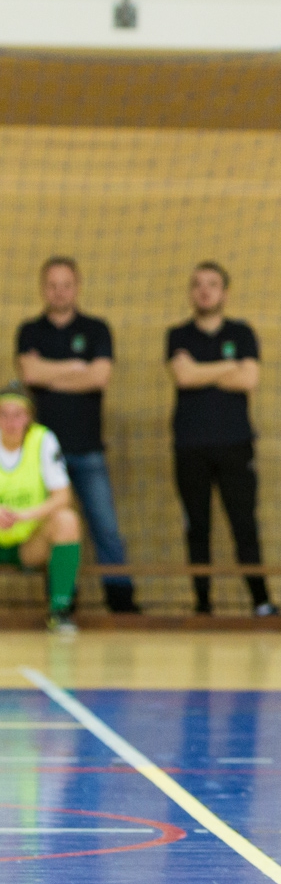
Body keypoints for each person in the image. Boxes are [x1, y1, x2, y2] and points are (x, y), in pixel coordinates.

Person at [14, 256, 137, 613]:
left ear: (77, 287)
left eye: (66, 285)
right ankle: (63, 599)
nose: (59, 292)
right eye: (52, 285)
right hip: (42, 455)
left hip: (88, 448)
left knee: (105, 527)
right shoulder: (30, 330)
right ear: (43, 289)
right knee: (54, 525)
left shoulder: (96, 329)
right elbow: (29, 375)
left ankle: (121, 601)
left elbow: (99, 377)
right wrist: (74, 367)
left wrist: (50, 374)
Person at [166, 261, 274, 616]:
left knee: (244, 525)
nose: (204, 290)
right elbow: (183, 377)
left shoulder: (242, 333)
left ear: (224, 293)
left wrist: (200, 370)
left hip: (235, 445)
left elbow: (249, 379)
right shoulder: (178, 335)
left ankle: (261, 602)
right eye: (198, 284)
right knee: (197, 527)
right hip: (190, 446)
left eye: (212, 284)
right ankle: (202, 604)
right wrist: (228, 367)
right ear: (191, 292)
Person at [0, 383, 83, 633]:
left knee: (67, 520)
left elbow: (62, 496)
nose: (10, 421)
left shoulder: (42, 440)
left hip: (28, 541)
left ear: (29, 416)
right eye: (3, 414)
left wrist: (23, 515)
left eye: (17, 414)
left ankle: (60, 611)